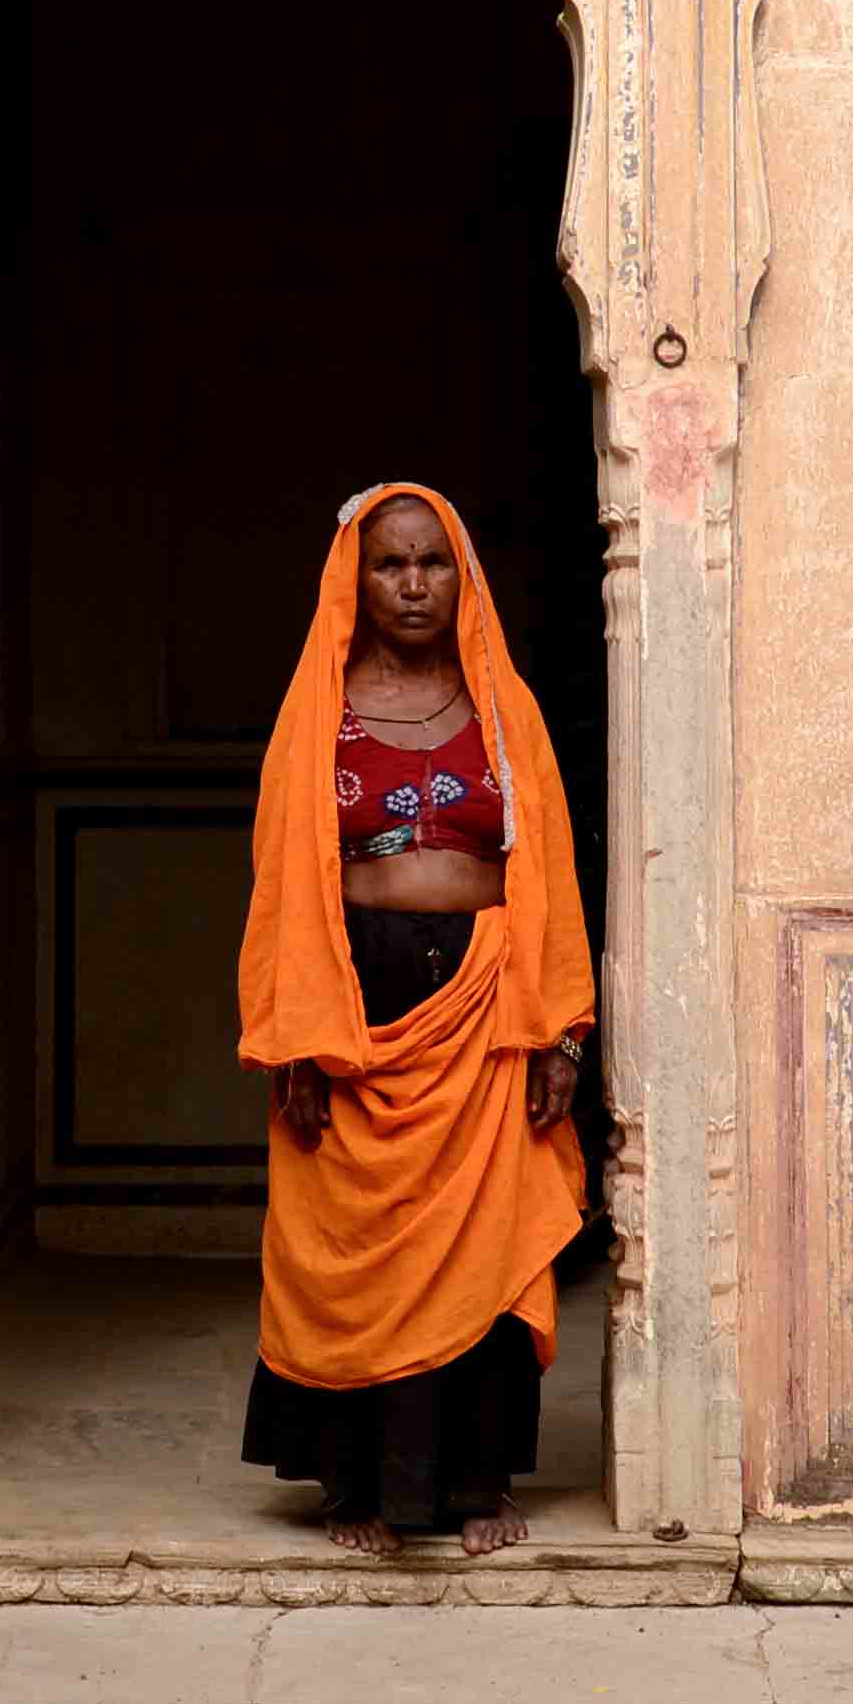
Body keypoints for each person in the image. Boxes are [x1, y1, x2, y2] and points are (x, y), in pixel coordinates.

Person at [236, 484, 591, 1556]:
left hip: (486, 999)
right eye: (390, 565)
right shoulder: (318, 713)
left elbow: (553, 873)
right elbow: (282, 880)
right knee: (352, 1239)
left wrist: (561, 1028)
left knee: (485, 1235)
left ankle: (477, 1486)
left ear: (463, 575)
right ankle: (355, 1489)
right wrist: (297, 1029)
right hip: (354, 1001)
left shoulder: (505, 708)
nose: (413, 585)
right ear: (356, 579)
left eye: (433, 563)